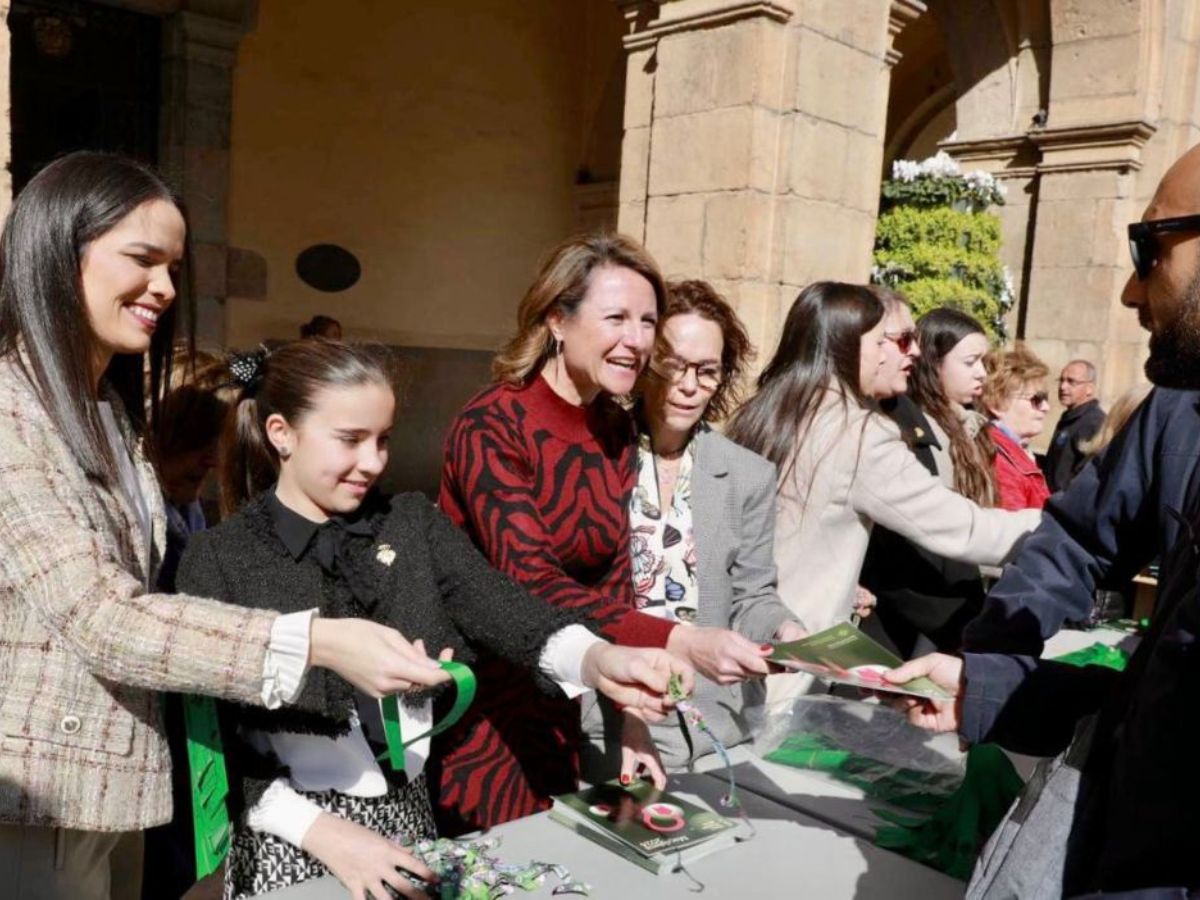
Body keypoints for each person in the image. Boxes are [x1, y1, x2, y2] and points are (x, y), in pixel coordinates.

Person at [0, 152, 452, 900]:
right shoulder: (14, 413)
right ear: (57, 252)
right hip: (35, 799)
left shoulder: (105, 411)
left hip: (111, 795)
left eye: (174, 266)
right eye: (143, 260)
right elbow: (100, 615)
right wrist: (314, 640)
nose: (166, 288)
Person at [176, 339, 689, 900]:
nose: (373, 462)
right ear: (282, 433)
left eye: (384, 440)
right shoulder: (218, 560)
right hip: (292, 840)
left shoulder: (412, 523)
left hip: (411, 828)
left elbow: (509, 609)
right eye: (350, 440)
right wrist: (325, 835)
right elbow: (218, 748)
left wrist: (597, 658)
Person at [888, 142, 1200, 896]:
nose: (1130, 291)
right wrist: (989, 668)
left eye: (1148, 247)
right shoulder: (1176, 406)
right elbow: (1078, 537)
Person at [437, 234, 768, 831]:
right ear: (557, 319)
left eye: (647, 322)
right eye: (616, 317)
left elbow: (614, 589)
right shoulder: (492, 423)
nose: (637, 339)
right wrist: (680, 641)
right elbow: (528, 580)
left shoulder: (612, 429)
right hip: (482, 712)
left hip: (566, 700)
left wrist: (632, 723)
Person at [724, 282, 1039, 642]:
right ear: (851, 343)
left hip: (740, 639)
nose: (916, 351)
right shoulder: (857, 432)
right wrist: (1060, 524)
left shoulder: (769, 409)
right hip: (795, 649)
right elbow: (961, 528)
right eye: (900, 339)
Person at [581, 279, 806, 782]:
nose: (688, 386)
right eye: (674, 366)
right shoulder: (593, 454)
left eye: (706, 372)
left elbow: (752, 595)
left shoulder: (747, 473)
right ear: (643, 364)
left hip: (712, 728)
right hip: (610, 719)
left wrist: (787, 632)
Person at [141, 348, 236, 900]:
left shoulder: (190, 508)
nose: (208, 462)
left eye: (214, 447)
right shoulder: (145, 512)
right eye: (195, 446)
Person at [859, 298, 991, 657]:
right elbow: (921, 528)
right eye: (970, 362)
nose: (982, 373)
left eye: (984, 362)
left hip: (947, 601)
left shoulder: (968, 428)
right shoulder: (904, 427)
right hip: (907, 615)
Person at [981, 344, 1052, 510]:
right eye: (1036, 399)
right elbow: (1013, 529)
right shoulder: (998, 460)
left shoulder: (1013, 450)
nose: (1046, 407)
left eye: (1045, 398)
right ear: (997, 403)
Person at [1044, 358, 1105, 491]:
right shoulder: (1071, 417)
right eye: (1061, 380)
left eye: (1071, 382)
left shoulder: (1093, 423)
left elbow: (1086, 475)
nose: (1062, 387)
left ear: (1090, 388)